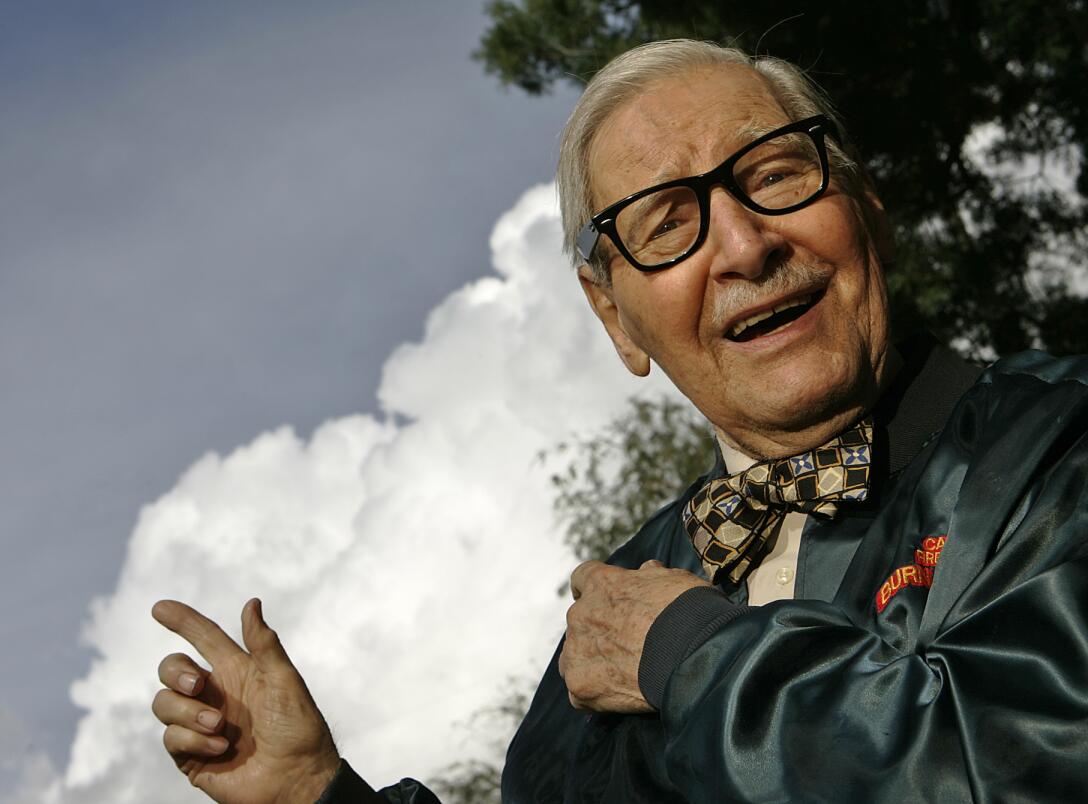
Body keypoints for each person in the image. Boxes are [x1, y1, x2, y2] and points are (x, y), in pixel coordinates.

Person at [149, 39, 1088, 803]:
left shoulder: (1055, 444)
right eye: (666, 223)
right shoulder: (621, 599)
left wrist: (696, 656)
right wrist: (318, 795)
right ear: (616, 320)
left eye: (777, 173)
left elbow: (1030, 762)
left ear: (869, 217)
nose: (744, 243)